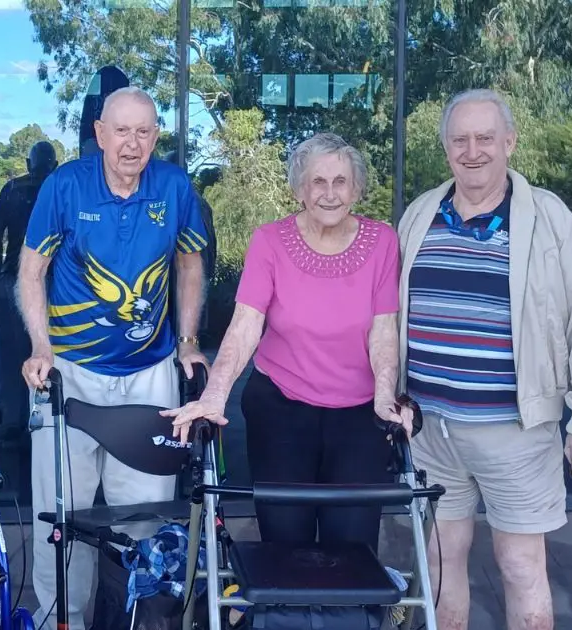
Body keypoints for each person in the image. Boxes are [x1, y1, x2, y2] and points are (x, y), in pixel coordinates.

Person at [397, 88, 572, 630]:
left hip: (515, 432)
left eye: (485, 138)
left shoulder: (548, 217)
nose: (472, 151)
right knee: (439, 564)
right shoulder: (420, 213)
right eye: (460, 139)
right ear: (446, 147)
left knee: (519, 565)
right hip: (431, 430)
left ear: (509, 143)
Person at [162, 132, 412, 553]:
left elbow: (384, 328)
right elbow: (246, 324)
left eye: (340, 182)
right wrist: (215, 394)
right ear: (299, 188)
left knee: (352, 545)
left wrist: (385, 398)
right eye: (318, 182)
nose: (329, 193)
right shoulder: (270, 240)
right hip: (281, 407)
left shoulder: (382, 241)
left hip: (356, 415)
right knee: (284, 541)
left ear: (357, 188)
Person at [17, 86, 210, 630]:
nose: (133, 143)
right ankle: (64, 621)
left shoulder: (173, 186)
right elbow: (31, 271)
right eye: (121, 130)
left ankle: (140, 622)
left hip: (150, 373)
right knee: (61, 517)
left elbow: (190, 263)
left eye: (144, 131)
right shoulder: (65, 185)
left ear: (156, 137)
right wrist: (40, 347)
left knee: (147, 523)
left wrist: (190, 340)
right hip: (71, 374)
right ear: (99, 134)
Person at [0, 140, 58, 435]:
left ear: (29, 164)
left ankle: (12, 421)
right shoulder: (57, 189)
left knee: (12, 354)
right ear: (53, 165)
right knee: (51, 350)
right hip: (52, 281)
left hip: (14, 278)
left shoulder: (13, 189)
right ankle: (46, 422)